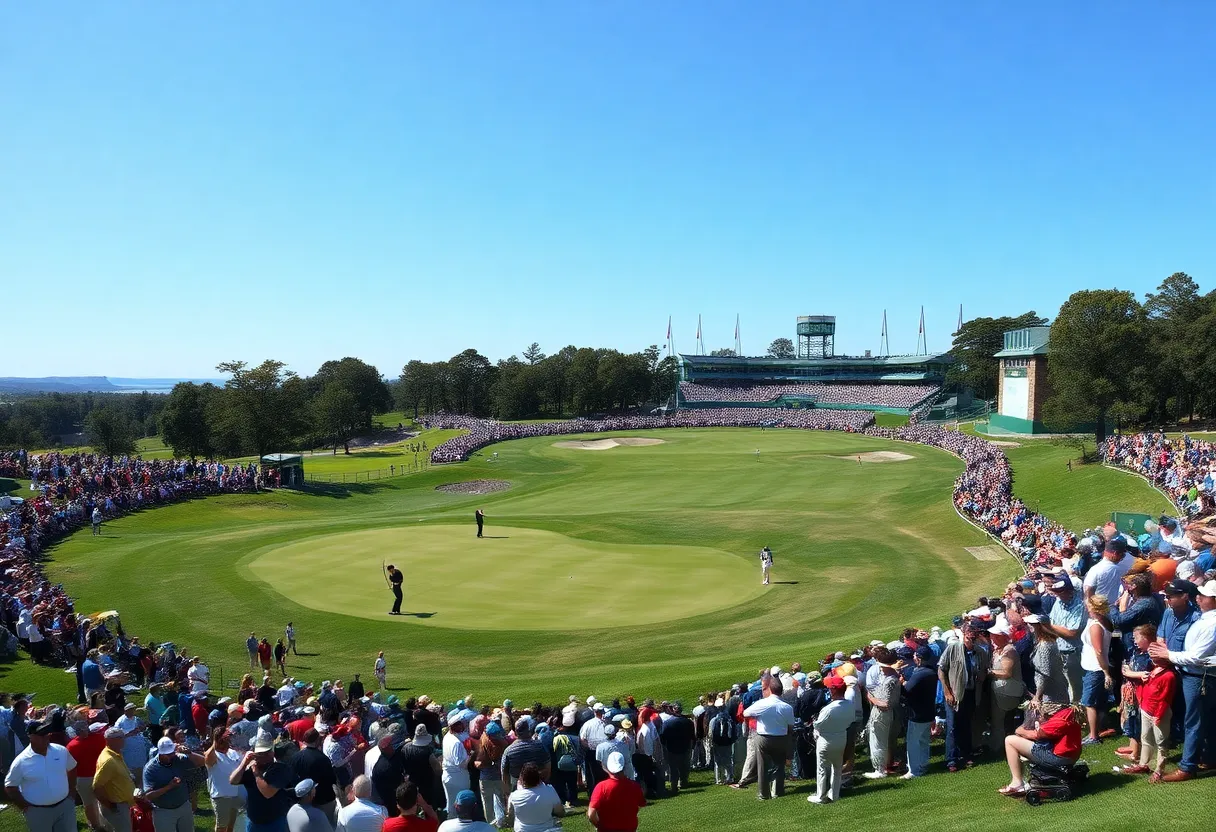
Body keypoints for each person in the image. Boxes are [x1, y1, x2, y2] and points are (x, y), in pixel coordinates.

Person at [1147, 577, 1216, 781]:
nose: (1199, 598)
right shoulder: (1205, 619)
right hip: (1196, 674)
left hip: (1198, 675)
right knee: (1207, 720)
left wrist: (1168, 655)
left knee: (1193, 721)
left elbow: (1196, 656)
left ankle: (1187, 767)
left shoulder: (1210, 623)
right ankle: (1210, 757)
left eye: (1203, 595)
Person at [3, 719, 78, 832]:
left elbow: (72, 767)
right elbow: (10, 786)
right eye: (41, 734)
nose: (46, 737)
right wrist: (24, 806)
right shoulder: (21, 761)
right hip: (38, 812)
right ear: (30, 736)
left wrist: (71, 790)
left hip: (65, 806)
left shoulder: (61, 751)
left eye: (47, 733)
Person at [998, 703, 1082, 797]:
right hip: (1070, 755)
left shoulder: (1059, 719)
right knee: (1021, 740)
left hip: (1059, 758)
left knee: (1010, 740)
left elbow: (1036, 735)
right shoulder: (1068, 712)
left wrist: (1020, 730)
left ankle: (1017, 783)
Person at [938, 623, 990, 772]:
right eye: (968, 636)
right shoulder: (953, 648)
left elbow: (984, 670)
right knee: (952, 726)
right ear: (963, 634)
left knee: (966, 725)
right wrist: (947, 692)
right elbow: (941, 670)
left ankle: (966, 755)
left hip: (971, 693)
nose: (971, 640)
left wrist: (983, 674)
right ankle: (951, 760)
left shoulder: (981, 652)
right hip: (955, 694)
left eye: (974, 637)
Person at [742, 675, 793, 798]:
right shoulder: (787, 707)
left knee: (763, 766)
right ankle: (777, 791)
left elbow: (746, 713)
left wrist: (757, 716)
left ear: (770, 689)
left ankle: (764, 793)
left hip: (764, 737)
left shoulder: (762, 703)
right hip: (781, 737)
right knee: (779, 765)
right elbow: (790, 726)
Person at [144, 734, 206, 832]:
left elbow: (204, 762)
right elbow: (148, 795)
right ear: (160, 753)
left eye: (172, 752)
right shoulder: (151, 769)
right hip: (163, 811)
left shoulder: (179, 758)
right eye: (168, 754)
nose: (172, 756)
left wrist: (189, 753)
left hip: (183, 806)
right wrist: (169, 787)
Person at [809, 676, 851, 804]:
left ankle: (821, 796)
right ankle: (834, 794)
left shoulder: (829, 709)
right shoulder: (850, 705)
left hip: (826, 740)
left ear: (833, 690)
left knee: (822, 768)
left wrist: (815, 723)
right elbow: (850, 721)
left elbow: (818, 725)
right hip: (841, 738)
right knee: (837, 768)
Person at [1079, 594, 1114, 744]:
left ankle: (1093, 736)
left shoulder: (1095, 626)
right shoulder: (1103, 621)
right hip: (1096, 668)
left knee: (1089, 703)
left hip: (1096, 669)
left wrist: (1106, 672)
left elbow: (1098, 651)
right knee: (1098, 702)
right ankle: (1099, 729)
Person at [863, 649, 900, 779]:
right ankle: (880, 768)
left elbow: (886, 704)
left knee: (878, 741)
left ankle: (880, 769)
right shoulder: (890, 677)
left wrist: (871, 698)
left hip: (882, 714)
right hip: (880, 713)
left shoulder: (890, 680)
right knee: (878, 740)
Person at [587, 751, 645, 832]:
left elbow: (591, 814)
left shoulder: (601, 787)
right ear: (623, 766)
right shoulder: (634, 786)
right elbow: (641, 803)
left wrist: (599, 826)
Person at [291, 728, 339, 825]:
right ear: (317, 741)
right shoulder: (323, 759)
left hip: (303, 802)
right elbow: (332, 779)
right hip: (323, 801)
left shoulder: (295, 757)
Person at [902, 646, 937, 778]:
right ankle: (923, 765)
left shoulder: (920, 673)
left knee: (913, 742)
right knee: (923, 740)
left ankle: (914, 771)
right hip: (928, 711)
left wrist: (901, 683)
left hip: (917, 713)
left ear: (920, 659)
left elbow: (907, 691)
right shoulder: (931, 671)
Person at [93, 726, 136, 832]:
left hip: (124, 804)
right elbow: (96, 786)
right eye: (120, 737)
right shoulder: (109, 761)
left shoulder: (116, 753)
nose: (124, 739)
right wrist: (110, 806)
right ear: (110, 740)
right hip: (118, 806)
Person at [67, 719, 108, 831]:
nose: (84, 732)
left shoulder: (99, 738)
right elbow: (70, 766)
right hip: (82, 779)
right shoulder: (71, 746)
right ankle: (96, 826)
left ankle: (106, 823)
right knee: (89, 803)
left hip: (100, 775)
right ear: (76, 731)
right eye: (81, 730)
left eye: (85, 729)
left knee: (103, 800)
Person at [204, 727, 246, 832]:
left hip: (234, 794)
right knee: (221, 827)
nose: (230, 739)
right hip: (221, 797)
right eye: (227, 737)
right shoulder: (213, 755)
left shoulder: (232, 752)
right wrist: (215, 739)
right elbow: (207, 757)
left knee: (231, 826)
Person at [506, 762, 563, 832]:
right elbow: (560, 812)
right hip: (547, 829)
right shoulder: (549, 790)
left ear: (522, 779)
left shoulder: (513, 796)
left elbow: (510, 816)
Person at [659, 703, 695, 797]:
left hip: (672, 748)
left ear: (673, 710)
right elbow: (692, 736)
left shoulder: (667, 723)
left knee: (673, 768)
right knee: (684, 766)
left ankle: (674, 786)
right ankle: (683, 782)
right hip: (685, 747)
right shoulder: (688, 722)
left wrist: (666, 746)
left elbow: (662, 737)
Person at [441, 717, 472, 814]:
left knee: (450, 803)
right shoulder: (456, 743)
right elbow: (461, 764)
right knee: (459, 805)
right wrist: (470, 756)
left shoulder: (447, 737)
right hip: (457, 778)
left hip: (448, 775)